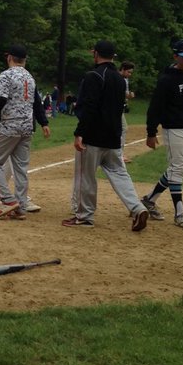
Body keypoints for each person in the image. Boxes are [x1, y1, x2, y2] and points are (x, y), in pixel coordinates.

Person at [61, 41, 149, 231]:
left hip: (93, 136)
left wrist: (80, 133)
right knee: (120, 174)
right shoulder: (119, 78)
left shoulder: (93, 75)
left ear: (96, 54)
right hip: (113, 136)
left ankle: (84, 216)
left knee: (86, 177)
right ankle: (137, 208)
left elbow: (89, 107)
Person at [141, 39, 183, 228]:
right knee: (176, 168)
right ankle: (180, 213)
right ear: (176, 56)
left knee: (179, 169)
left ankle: (149, 200)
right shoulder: (167, 80)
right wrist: (151, 133)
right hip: (173, 129)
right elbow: (154, 108)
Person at [0, 44, 49, 220]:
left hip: (10, 126)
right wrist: (43, 122)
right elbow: (36, 102)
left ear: (9, 58)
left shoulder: (6, 75)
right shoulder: (30, 77)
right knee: (21, 168)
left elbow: (0, 100)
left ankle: (7, 200)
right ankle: (20, 207)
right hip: (27, 127)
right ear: (25, 60)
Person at [119, 61, 135, 148]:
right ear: (123, 69)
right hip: (115, 109)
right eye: (128, 72)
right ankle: (119, 154)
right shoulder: (117, 78)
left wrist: (128, 96)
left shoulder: (125, 79)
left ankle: (118, 154)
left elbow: (125, 94)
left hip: (120, 107)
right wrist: (129, 95)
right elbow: (124, 94)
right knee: (123, 128)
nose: (130, 74)